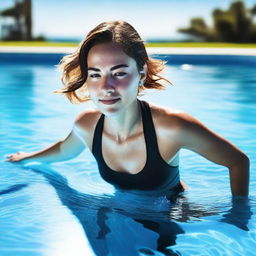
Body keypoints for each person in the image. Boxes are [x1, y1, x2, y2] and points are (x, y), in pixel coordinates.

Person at [6, 20, 249, 197]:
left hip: (172, 212)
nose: (105, 88)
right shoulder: (87, 125)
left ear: (141, 74)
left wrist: (237, 217)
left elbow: (238, 161)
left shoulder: (172, 127)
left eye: (119, 73)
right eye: (95, 74)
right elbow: (64, 150)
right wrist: (28, 158)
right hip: (120, 209)